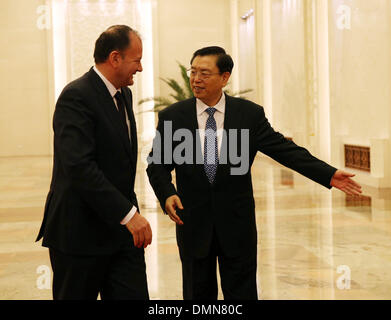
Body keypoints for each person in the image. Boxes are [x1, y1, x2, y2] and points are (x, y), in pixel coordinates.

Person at [146, 46, 362, 300]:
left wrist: (327, 174)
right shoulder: (174, 117)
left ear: (224, 77)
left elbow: (285, 150)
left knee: (242, 294)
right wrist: (167, 193)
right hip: (193, 223)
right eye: (193, 72)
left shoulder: (248, 115)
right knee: (197, 295)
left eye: (204, 73)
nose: (195, 79)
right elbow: (157, 164)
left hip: (237, 225)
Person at [36, 25, 152, 300]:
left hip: (121, 236)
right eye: (136, 60)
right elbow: (79, 167)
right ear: (115, 58)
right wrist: (129, 214)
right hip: (79, 234)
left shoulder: (125, 93)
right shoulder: (76, 96)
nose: (141, 68)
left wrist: (126, 215)